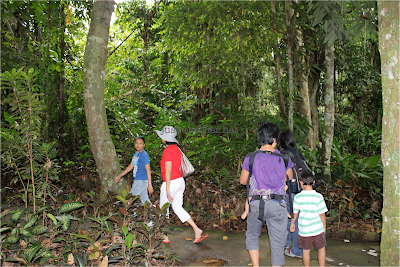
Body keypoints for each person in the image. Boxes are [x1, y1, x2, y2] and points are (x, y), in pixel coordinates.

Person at [239, 121, 294, 267]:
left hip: (256, 204)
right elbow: (290, 179)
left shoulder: (251, 157)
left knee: (252, 236)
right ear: (275, 139)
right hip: (277, 205)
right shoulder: (284, 158)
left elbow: (243, 181)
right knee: (277, 243)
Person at [155, 125, 208, 244]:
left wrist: (168, 189)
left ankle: (165, 236)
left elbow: (168, 171)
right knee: (178, 207)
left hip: (171, 182)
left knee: (163, 210)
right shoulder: (177, 149)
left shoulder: (167, 150)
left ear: (164, 139)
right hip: (180, 181)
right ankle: (196, 229)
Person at [290, 170, 328, 267]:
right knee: (321, 248)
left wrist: (292, 224)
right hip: (317, 228)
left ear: (301, 182)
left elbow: (295, 213)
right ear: (314, 182)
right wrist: (324, 227)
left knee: (306, 251)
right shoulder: (318, 197)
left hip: (304, 230)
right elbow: (322, 214)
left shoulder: (298, 197)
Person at [278, 129, 304, 258]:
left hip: (289, 192)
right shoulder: (298, 152)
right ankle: (287, 245)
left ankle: (297, 250)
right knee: (294, 219)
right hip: (301, 191)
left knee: (290, 219)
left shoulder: (281, 155)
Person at [114, 136, 153, 205]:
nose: (138, 145)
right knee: (145, 201)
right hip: (138, 181)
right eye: (136, 143)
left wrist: (150, 184)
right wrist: (119, 176)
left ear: (144, 145)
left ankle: (125, 214)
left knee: (129, 199)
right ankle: (154, 213)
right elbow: (130, 167)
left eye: (140, 143)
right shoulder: (136, 154)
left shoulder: (144, 155)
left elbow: (148, 170)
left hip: (141, 181)